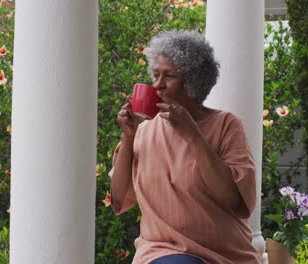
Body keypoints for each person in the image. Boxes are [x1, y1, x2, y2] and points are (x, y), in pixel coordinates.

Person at [109, 30, 260, 264]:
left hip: (223, 255)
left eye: (168, 76)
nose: (158, 85)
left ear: (193, 83)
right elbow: (118, 202)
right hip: (160, 249)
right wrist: (128, 137)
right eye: (155, 75)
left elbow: (235, 202)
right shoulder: (144, 130)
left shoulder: (226, 125)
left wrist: (192, 134)